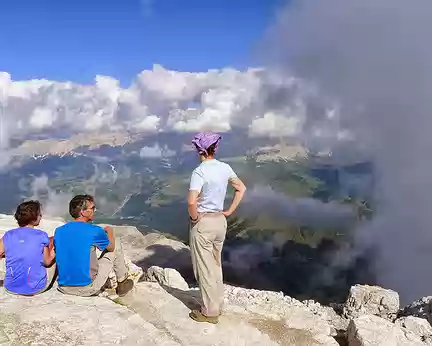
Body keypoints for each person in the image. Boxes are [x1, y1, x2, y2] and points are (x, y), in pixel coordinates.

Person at [188, 132, 247, 324]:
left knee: (204, 268)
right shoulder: (225, 167)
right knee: (215, 264)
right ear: (216, 148)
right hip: (220, 221)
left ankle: (209, 312)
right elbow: (241, 188)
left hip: (203, 223)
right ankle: (218, 302)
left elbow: (191, 201)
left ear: (199, 150)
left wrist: (195, 218)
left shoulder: (199, 171)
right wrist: (229, 211)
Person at [54, 194, 134, 297]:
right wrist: (110, 231)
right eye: (92, 208)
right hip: (86, 288)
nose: (94, 210)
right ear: (83, 212)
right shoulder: (94, 230)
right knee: (116, 243)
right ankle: (122, 283)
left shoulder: (59, 231)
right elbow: (111, 247)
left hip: (63, 287)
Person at [0, 200, 56, 295]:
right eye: (39, 214)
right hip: (36, 287)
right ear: (34, 218)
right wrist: (55, 249)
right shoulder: (42, 235)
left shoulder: (8, 235)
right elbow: (47, 262)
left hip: (10, 287)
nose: (41, 216)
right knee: (53, 249)